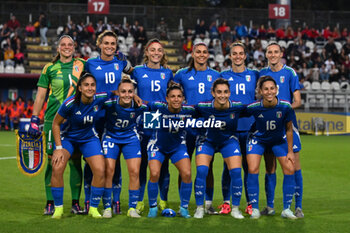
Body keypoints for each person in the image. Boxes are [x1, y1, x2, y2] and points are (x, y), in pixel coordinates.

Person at [28, 35, 85, 215]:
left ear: (74, 47)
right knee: (54, 163)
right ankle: (50, 202)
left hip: (76, 121)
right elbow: (40, 96)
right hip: (54, 122)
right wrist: (34, 119)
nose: (67, 47)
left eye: (70, 45)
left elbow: (102, 66)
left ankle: (75, 203)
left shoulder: (83, 64)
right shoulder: (49, 68)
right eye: (63, 45)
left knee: (75, 163)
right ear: (58, 48)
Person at [84, 30, 133, 215]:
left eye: (113, 44)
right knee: (91, 160)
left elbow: (132, 73)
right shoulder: (90, 63)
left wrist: (127, 62)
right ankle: (89, 200)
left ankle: (115, 201)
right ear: (100, 45)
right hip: (94, 118)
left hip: (115, 117)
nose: (110, 46)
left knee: (114, 160)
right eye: (106, 43)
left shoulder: (120, 63)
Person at [50, 73, 108, 219]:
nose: (90, 88)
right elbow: (55, 124)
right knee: (57, 167)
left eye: (92, 85)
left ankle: (93, 208)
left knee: (100, 170)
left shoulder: (100, 98)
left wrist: (134, 96)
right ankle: (58, 209)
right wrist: (58, 149)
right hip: (68, 138)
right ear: (80, 88)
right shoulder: (69, 103)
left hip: (89, 138)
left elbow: (115, 92)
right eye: (86, 85)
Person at [174, 42, 220, 215]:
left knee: (207, 166)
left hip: (207, 126)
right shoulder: (181, 75)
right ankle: (183, 204)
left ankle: (208, 204)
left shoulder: (216, 75)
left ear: (208, 55)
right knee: (183, 165)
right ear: (192, 54)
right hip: (186, 126)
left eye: (204, 52)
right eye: (198, 52)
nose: (201, 54)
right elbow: (173, 95)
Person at [259, 41, 303, 218]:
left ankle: (298, 206)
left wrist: (283, 112)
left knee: (294, 165)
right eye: (270, 52)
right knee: (270, 167)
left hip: (287, 125)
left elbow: (298, 101)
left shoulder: (290, 73)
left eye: (276, 52)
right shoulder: (262, 73)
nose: (273, 55)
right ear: (266, 54)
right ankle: (270, 207)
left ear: (281, 53)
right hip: (268, 127)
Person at [131, 38, 173, 213]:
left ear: (163, 54)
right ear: (146, 53)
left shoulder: (169, 73)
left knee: (163, 165)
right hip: (143, 122)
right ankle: (140, 201)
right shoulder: (137, 71)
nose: (156, 53)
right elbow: (127, 88)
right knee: (142, 165)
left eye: (159, 50)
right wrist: (134, 96)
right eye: (152, 50)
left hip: (162, 123)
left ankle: (162, 200)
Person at [193, 78, 245, 219]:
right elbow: (184, 111)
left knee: (235, 172)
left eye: (226, 92)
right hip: (207, 141)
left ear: (229, 93)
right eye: (219, 92)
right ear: (213, 93)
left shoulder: (238, 106)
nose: (223, 95)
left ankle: (235, 209)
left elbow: (258, 109)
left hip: (228, 141)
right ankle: (199, 208)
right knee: (202, 170)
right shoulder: (202, 107)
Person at [246, 75, 296, 219]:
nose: (269, 92)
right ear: (261, 91)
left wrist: (291, 151)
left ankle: (286, 209)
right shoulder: (254, 107)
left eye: (272, 88)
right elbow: (237, 113)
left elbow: (289, 129)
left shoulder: (285, 106)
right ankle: (254, 208)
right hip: (258, 140)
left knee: (289, 168)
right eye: (266, 89)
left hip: (277, 141)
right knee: (253, 168)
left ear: (276, 90)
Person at [219, 42, 259, 215]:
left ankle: (251, 203)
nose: (237, 56)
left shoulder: (255, 75)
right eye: (234, 53)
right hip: (229, 128)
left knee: (249, 167)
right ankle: (226, 202)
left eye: (240, 53)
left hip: (250, 127)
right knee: (228, 167)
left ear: (245, 56)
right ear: (230, 56)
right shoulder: (222, 75)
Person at [147, 82, 193, 219]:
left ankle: (184, 208)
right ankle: (153, 207)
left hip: (177, 146)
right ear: (167, 98)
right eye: (172, 96)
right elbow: (145, 106)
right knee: (154, 173)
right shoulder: (157, 107)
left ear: (183, 98)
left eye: (179, 96)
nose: (176, 99)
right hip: (157, 146)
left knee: (187, 173)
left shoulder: (188, 110)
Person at [101, 77, 146, 218]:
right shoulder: (109, 103)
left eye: (130, 92)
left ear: (134, 93)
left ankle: (132, 208)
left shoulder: (140, 106)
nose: (127, 95)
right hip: (111, 137)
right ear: (118, 92)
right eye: (123, 91)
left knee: (134, 171)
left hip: (130, 138)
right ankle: (107, 207)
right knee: (109, 171)